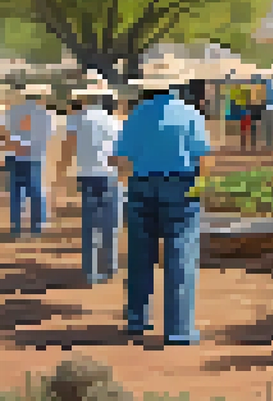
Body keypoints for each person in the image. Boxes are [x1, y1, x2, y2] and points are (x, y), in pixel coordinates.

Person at [117, 59, 213, 345]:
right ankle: (179, 329)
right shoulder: (190, 114)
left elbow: (123, 157)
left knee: (139, 256)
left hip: (141, 185)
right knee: (180, 256)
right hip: (180, 186)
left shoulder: (136, 114)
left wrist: (130, 183)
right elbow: (204, 156)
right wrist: (200, 187)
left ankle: (138, 318)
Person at [68, 82, 123, 285]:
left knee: (90, 224)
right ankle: (110, 266)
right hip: (110, 174)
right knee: (111, 223)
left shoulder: (75, 120)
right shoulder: (113, 121)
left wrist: (63, 172)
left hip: (86, 174)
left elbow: (68, 147)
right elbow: (120, 151)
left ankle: (90, 271)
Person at [6, 84, 56, 238]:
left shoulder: (12, 112)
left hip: (16, 154)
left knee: (16, 192)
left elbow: (6, 133)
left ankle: (16, 225)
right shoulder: (46, 114)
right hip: (35, 155)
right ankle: (37, 226)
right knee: (37, 191)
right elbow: (49, 135)